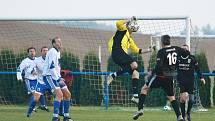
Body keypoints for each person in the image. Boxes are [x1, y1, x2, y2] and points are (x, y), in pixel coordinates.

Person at [133, 35, 184, 121]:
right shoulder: (176, 49)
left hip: (160, 77)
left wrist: (151, 74)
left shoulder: (161, 51)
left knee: (144, 89)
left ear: (162, 42)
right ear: (169, 41)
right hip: (170, 77)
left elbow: (159, 66)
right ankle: (179, 116)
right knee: (172, 97)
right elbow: (186, 53)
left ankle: (140, 109)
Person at [107, 16, 151, 103]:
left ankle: (135, 96)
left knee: (136, 73)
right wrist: (129, 19)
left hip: (120, 57)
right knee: (134, 65)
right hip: (117, 52)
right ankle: (114, 75)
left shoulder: (130, 39)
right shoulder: (122, 30)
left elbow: (137, 50)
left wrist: (149, 50)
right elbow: (118, 23)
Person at [42, 37, 73, 121]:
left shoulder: (57, 52)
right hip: (49, 76)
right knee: (59, 95)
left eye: (60, 41)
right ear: (54, 44)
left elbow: (56, 67)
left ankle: (66, 116)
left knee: (67, 94)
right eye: (58, 42)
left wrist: (59, 77)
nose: (60, 43)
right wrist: (58, 78)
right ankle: (55, 118)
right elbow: (51, 67)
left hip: (56, 77)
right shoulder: (52, 52)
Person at [177, 44, 206, 121]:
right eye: (182, 49)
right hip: (181, 81)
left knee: (192, 99)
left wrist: (201, 77)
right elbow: (172, 67)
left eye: (185, 49)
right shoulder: (178, 58)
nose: (184, 50)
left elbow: (198, 68)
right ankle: (182, 116)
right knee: (182, 99)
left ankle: (188, 113)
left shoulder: (192, 58)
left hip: (190, 81)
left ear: (188, 50)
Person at [25, 46, 50, 117]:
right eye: (44, 50)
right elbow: (30, 67)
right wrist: (32, 71)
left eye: (47, 50)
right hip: (41, 83)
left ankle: (61, 114)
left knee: (59, 95)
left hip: (50, 82)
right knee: (35, 99)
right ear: (41, 52)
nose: (46, 52)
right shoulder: (37, 60)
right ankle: (29, 113)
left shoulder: (51, 59)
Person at [16, 47, 42, 117]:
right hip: (29, 80)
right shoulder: (25, 61)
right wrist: (19, 77)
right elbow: (19, 69)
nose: (32, 52)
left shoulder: (37, 60)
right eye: (30, 51)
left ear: (35, 52)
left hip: (37, 80)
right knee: (34, 94)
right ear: (28, 53)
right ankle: (31, 109)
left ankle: (30, 111)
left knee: (37, 96)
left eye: (33, 51)